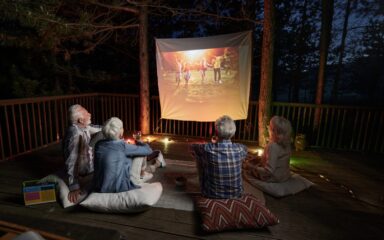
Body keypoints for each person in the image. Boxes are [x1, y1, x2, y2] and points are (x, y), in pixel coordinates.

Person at [92, 117, 162, 193]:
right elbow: (148, 151)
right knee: (140, 154)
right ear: (120, 132)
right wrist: (139, 141)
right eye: (122, 128)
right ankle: (144, 173)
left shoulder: (99, 144)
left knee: (125, 156)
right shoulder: (123, 146)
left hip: (99, 186)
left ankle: (145, 171)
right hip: (117, 188)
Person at [190, 115, 248, 199]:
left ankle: (207, 184)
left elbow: (192, 147)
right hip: (237, 194)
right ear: (233, 132)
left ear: (216, 132)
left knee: (199, 156)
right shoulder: (240, 148)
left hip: (210, 194)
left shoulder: (207, 148)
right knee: (238, 159)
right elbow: (245, 150)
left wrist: (213, 144)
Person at [62, 104, 102, 203]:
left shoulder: (84, 126)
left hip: (87, 158)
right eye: (86, 113)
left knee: (104, 132)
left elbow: (101, 129)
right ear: (80, 120)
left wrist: (113, 127)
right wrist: (74, 186)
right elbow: (72, 160)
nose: (90, 114)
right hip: (84, 170)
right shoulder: (75, 134)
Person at [250, 116, 292, 182]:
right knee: (255, 163)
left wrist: (251, 167)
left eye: (269, 127)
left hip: (274, 178)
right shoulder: (287, 143)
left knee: (248, 171)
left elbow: (269, 171)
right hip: (285, 176)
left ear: (274, 131)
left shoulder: (273, 146)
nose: (268, 128)